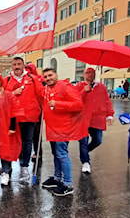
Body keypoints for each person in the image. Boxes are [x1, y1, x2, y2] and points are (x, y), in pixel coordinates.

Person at [40, 68, 87, 196]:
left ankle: (68, 184)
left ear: (56, 74)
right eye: (45, 76)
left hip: (62, 128)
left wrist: (58, 104)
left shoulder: (65, 87)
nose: (48, 78)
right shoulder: (46, 89)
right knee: (56, 154)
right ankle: (57, 178)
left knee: (61, 154)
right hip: (52, 128)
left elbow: (78, 104)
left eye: (50, 75)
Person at [4, 57, 43, 179]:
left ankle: (24, 165)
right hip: (12, 117)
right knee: (10, 142)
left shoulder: (32, 79)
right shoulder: (7, 80)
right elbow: (1, 96)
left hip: (29, 115)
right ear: (12, 66)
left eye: (19, 64)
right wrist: (12, 93)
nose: (17, 67)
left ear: (23, 65)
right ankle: (7, 166)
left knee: (27, 142)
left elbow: (41, 94)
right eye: (14, 64)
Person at [75, 67, 114, 174]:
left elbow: (107, 101)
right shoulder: (79, 86)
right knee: (83, 141)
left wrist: (109, 114)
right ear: (84, 74)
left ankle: (85, 152)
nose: (90, 75)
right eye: (88, 73)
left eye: (92, 73)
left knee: (98, 140)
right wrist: (84, 91)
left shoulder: (101, 87)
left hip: (97, 119)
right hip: (83, 118)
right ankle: (85, 162)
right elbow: (74, 100)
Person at [25, 63, 46, 165]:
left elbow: (42, 93)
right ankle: (32, 152)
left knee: (36, 133)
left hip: (38, 108)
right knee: (30, 133)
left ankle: (38, 152)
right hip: (28, 109)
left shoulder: (39, 80)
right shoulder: (27, 79)